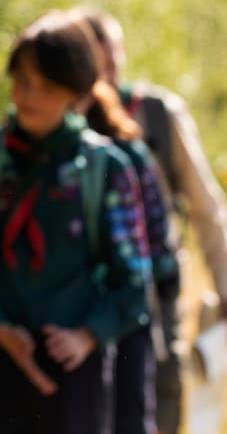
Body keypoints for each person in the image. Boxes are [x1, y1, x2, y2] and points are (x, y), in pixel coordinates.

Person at [0, 10, 151, 434]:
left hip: (78, 373)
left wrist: (88, 336)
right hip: (0, 363)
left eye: (46, 87)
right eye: (21, 82)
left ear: (78, 93)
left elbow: (134, 279)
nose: (27, 96)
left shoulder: (106, 168)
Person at [75, 6, 227, 434]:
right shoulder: (60, 120)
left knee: (159, 402)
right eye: (94, 66)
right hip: (78, 301)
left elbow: (206, 207)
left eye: (112, 61)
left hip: (157, 296)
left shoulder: (159, 113)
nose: (106, 76)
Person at [81, 54, 177, 434]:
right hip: (78, 328)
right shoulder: (28, 153)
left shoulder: (126, 154)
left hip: (123, 323)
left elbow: (157, 244)